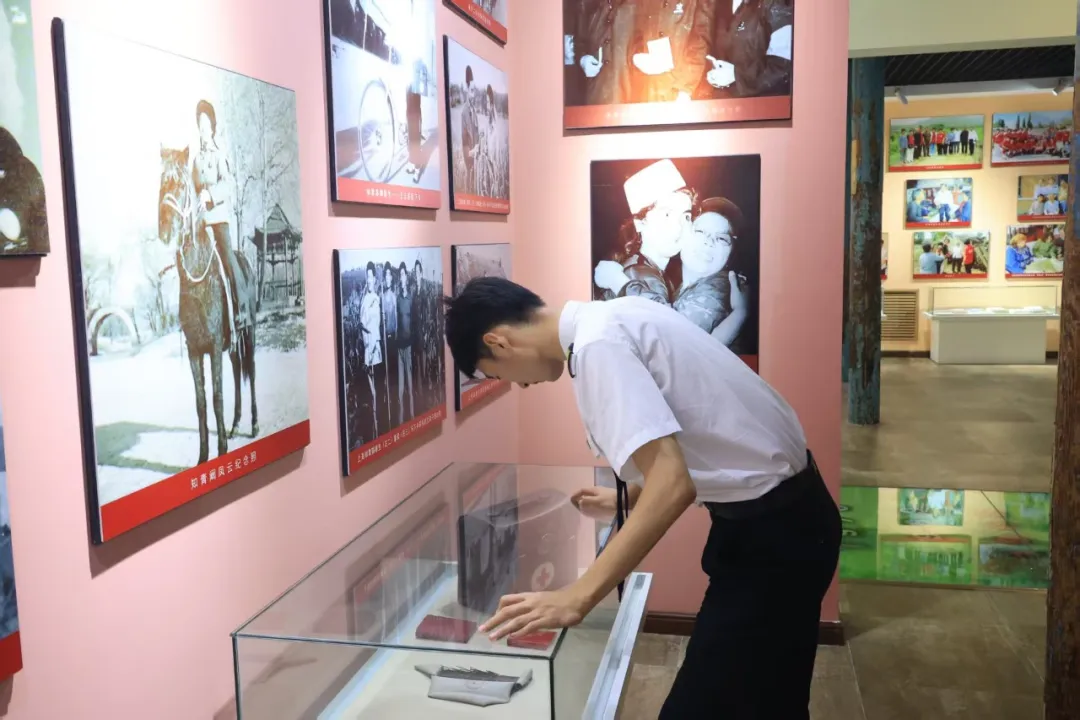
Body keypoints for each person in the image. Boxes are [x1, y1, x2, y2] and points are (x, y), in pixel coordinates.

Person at [444, 277, 840, 719]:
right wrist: (631, 495)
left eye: (497, 375)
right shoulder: (618, 313)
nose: (517, 386)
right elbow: (694, 425)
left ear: (498, 342)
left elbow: (673, 483)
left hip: (775, 539)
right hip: (789, 521)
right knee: (772, 695)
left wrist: (578, 596)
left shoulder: (597, 346)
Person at [193, 99, 251, 339]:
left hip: (218, 221)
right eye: (200, 126)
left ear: (212, 129)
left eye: (206, 126)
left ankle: (242, 309)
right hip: (202, 223)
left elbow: (228, 184)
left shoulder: (219, 155)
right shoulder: (195, 160)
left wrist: (210, 194)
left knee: (227, 257)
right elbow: (193, 190)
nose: (203, 131)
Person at [396, 262, 416, 424]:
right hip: (399, 346)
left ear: (406, 277)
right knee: (400, 386)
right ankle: (401, 421)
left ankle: (412, 416)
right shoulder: (397, 299)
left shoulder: (410, 298)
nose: (401, 277)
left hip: (408, 346)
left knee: (409, 383)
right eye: (400, 274)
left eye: (403, 274)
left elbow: (414, 321)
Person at [460, 66, 480, 195]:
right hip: (470, 161)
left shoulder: (475, 111)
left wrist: (479, 145)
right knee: (470, 188)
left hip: (477, 159)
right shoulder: (464, 112)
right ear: (467, 90)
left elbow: (477, 134)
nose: (474, 94)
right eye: (472, 91)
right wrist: (471, 153)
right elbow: (464, 142)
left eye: (475, 90)